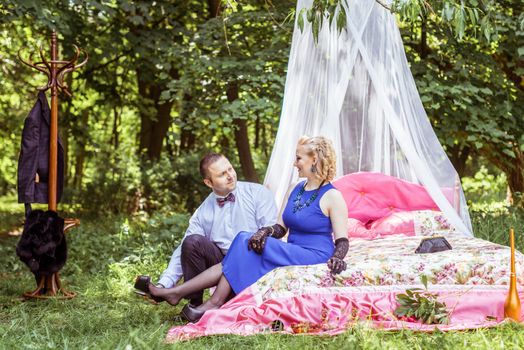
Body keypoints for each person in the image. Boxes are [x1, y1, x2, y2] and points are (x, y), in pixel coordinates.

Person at [148, 136, 349, 322]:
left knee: (244, 239)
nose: (294, 163)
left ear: (314, 159)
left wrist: (338, 257)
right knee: (246, 239)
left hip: (315, 254)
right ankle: (181, 294)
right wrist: (265, 232)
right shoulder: (295, 189)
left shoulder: (333, 196)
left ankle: (209, 301)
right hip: (294, 249)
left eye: (298, 158)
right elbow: (280, 228)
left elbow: (342, 241)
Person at [135, 153, 277, 306]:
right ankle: (193, 303)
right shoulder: (204, 211)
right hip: (220, 267)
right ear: (209, 182)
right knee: (191, 242)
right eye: (222, 174)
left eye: (230, 169)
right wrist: (165, 282)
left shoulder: (258, 193)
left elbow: (271, 237)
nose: (230, 176)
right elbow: (183, 249)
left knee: (240, 253)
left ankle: (175, 294)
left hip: (253, 265)